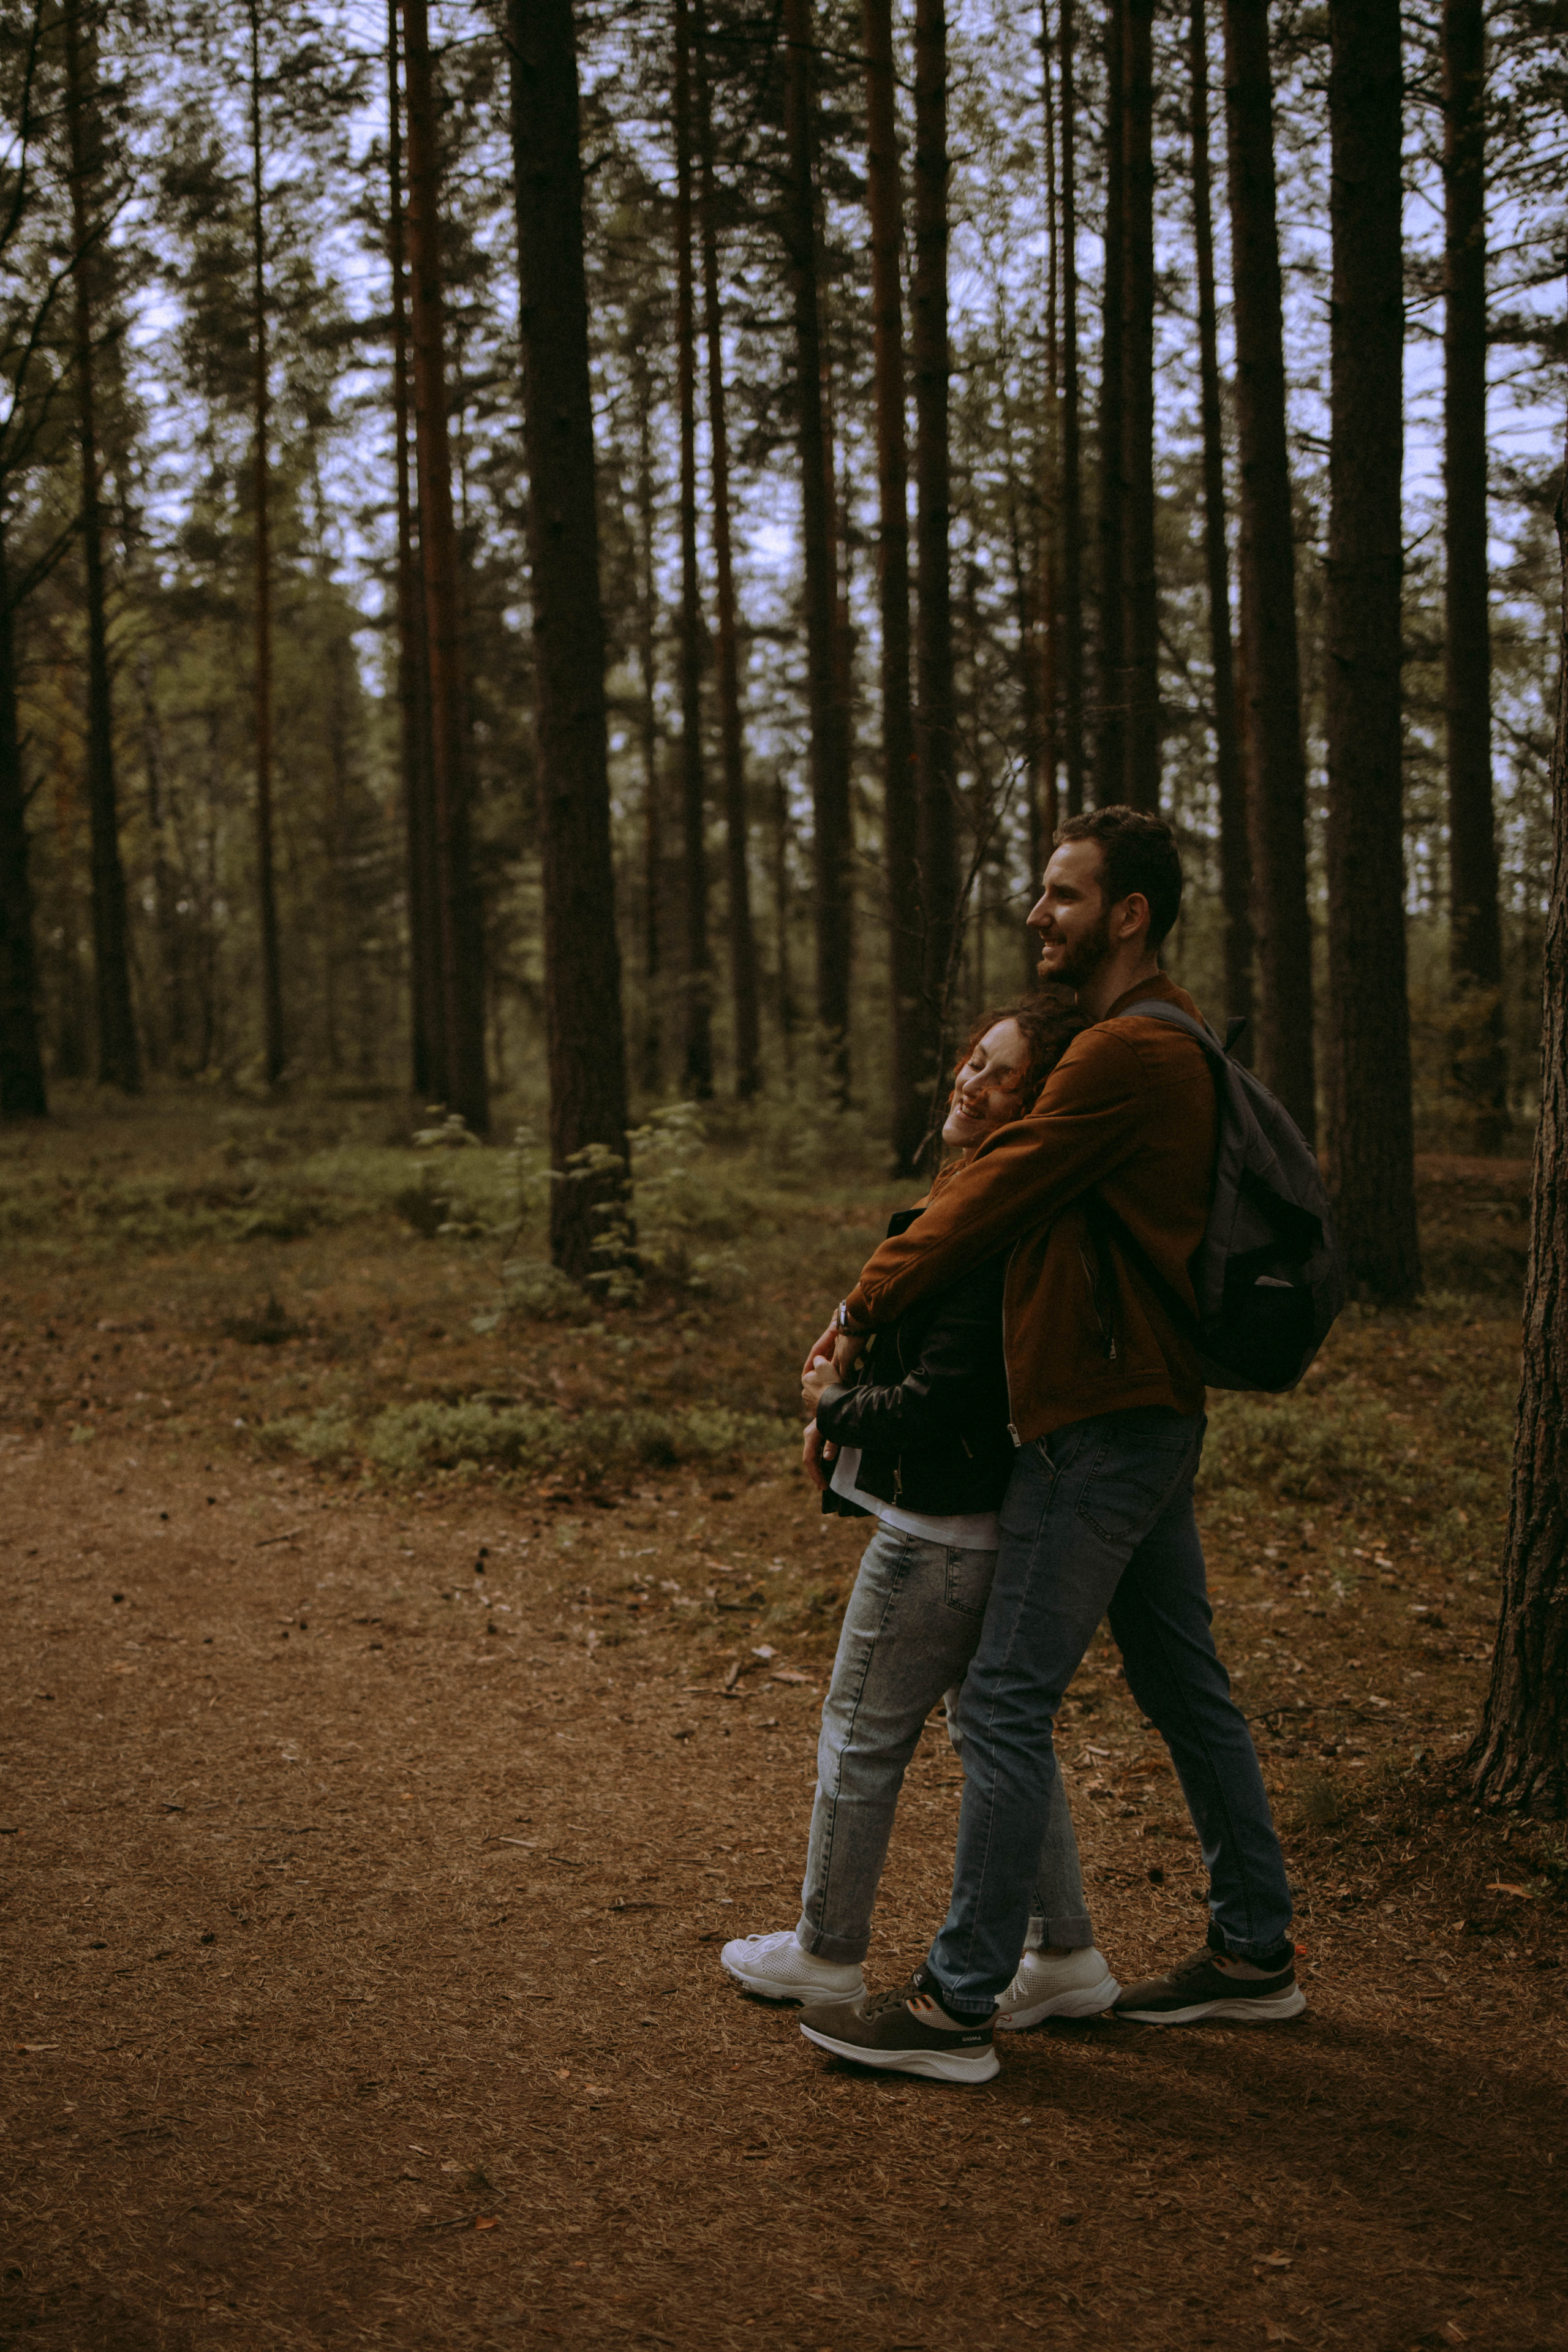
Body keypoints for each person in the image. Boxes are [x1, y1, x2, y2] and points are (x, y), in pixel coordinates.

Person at [794, 807, 1305, 2088]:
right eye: (1041, 894)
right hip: (1147, 1413)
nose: (1039, 916)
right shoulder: (1165, 1041)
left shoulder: (1127, 1054)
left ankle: (957, 2003)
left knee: (1006, 1704)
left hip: (1096, 1432)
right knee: (1185, 1688)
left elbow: (990, 1190)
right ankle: (1252, 1952)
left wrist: (864, 1302)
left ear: (1126, 914)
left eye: (1063, 896)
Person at [720, 994, 1119, 2030]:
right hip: (992, 1526)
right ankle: (1066, 1949)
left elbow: (949, 1399)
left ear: (1036, 1105)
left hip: (938, 1537)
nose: (969, 1082)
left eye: (999, 1075)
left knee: (859, 1735)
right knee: (1000, 1738)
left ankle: (825, 1953)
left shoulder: (989, 1217)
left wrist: (834, 1407)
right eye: (971, 1061)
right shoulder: (994, 1201)